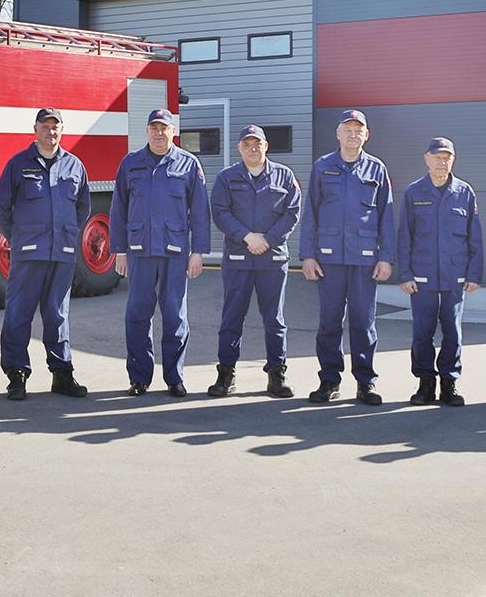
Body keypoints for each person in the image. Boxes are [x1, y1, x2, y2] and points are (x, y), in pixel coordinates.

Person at [0, 107, 92, 400]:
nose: (51, 131)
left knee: (58, 315)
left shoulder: (75, 166)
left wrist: (68, 236)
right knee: (18, 314)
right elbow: (0, 207)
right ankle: (17, 375)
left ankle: (62, 374)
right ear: (35, 129)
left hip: (62, 254)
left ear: (62, 129)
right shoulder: (18, 164)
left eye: (55, 126)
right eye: (45, 126)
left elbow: (82, 208)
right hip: (29, 255)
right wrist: (20, 237)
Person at [111, 109, 210, 397]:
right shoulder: (131, 164)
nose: (158, 133)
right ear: (147, 131)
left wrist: (198, 252)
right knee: (137, 315)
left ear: (173, 131)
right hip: (140, 251)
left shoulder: (188, 164)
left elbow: (200, 212)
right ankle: (139, 377)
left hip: (176, 252)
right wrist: (119, 250)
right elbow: (118, 210)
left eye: (164, 128)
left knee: (175, 316)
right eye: (154, 127)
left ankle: (174, 377)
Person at [299, 110, 394, 405]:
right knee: (329, 321)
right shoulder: (322, 167)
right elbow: (310, 213)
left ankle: (366, 382)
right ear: (338, 134)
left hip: (365, 259)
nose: (353, 134)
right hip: (328, 259)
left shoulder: (377, 169)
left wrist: (386, 257)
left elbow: (386, 217)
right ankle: (329, 380)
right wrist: (307, 256)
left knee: (363, 322)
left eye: (358, 130)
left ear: (366, 135)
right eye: (347, 129)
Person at [206, 125, 302, 399]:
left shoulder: (284, 176)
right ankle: (226, 375)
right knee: (232, 318)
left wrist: (268, 240)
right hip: (238, 258)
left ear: (266, 146)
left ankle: (277, 375)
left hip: (272, 259)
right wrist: (247, 237)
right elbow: (220, 212)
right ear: (239, 148)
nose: (252, 148)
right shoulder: (227, 178)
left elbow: (292, 212)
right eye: (247, 144)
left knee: (275, 319)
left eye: (257, 143)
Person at [398, 137, 481, 407]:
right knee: (422, 331)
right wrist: (406, 273)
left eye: (447, 157)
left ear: (453, 160)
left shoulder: (464, 192)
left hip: (455, 276)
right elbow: (405, 236)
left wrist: (474, 273)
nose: (441, 161)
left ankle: (449, 383)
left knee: (452, 331)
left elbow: (474, 237)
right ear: (427, 158)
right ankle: (425, 383)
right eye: (437, 156)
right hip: (421, 277)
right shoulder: (414, 192)